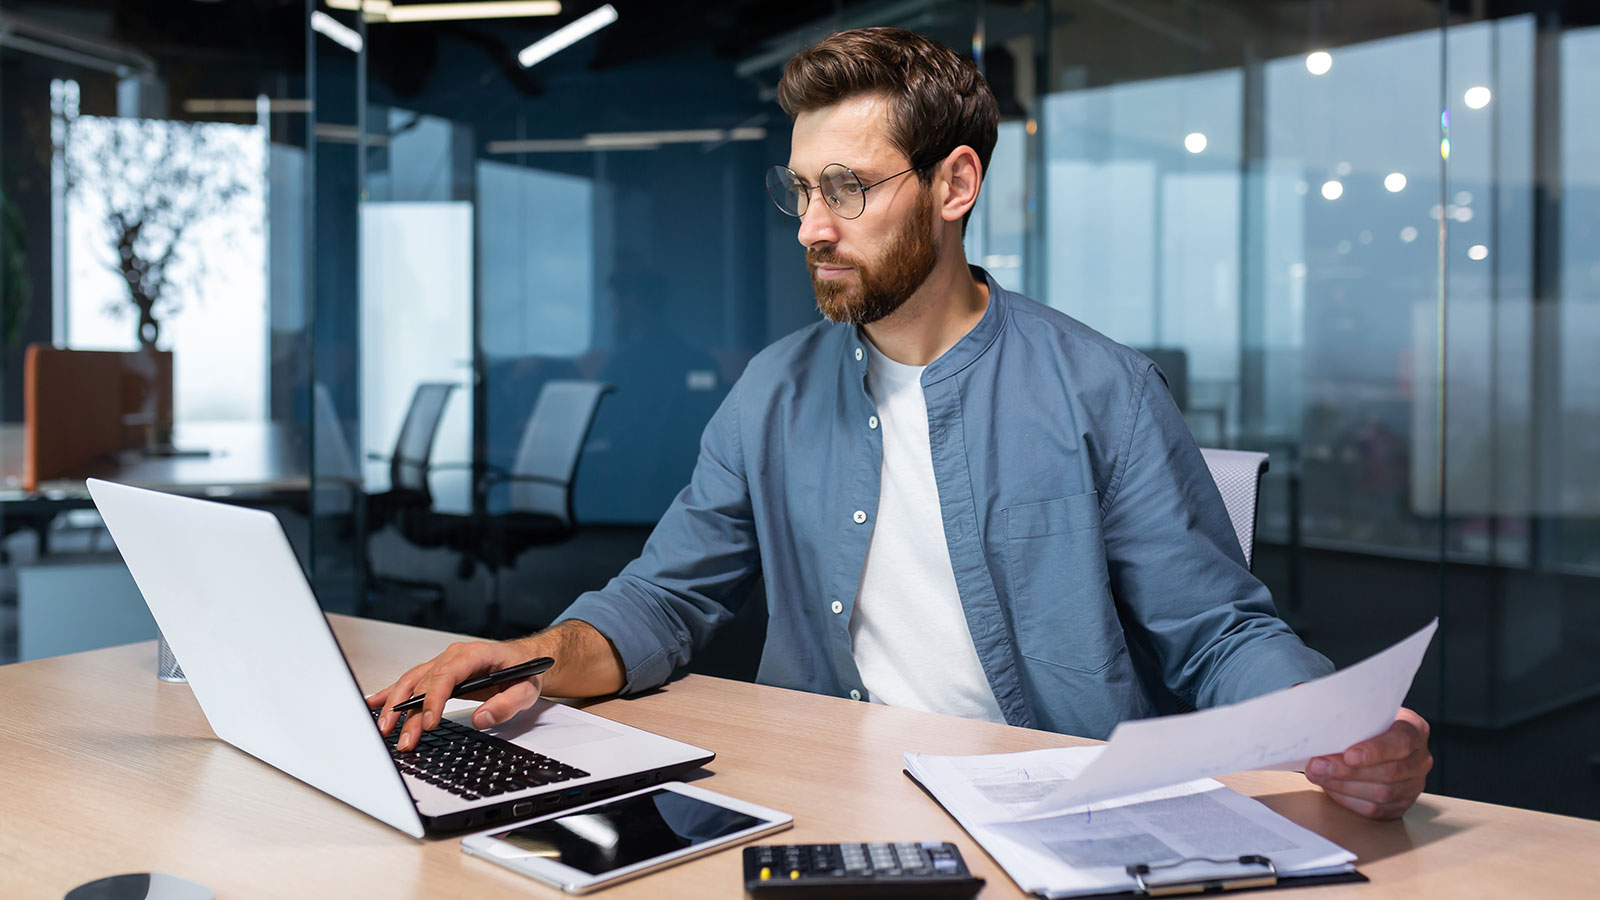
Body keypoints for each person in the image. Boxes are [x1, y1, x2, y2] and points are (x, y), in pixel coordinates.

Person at [371, 27, 1432, 821]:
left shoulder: (1101, 387)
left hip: (1054, 810)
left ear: (954, 183)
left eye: (847, 188)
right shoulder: (772, 394)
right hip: (822, 797)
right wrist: (533, 656)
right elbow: (662, 599)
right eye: (801, 192)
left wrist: (1339, 728)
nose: (814, 228)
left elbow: (1215, 632)